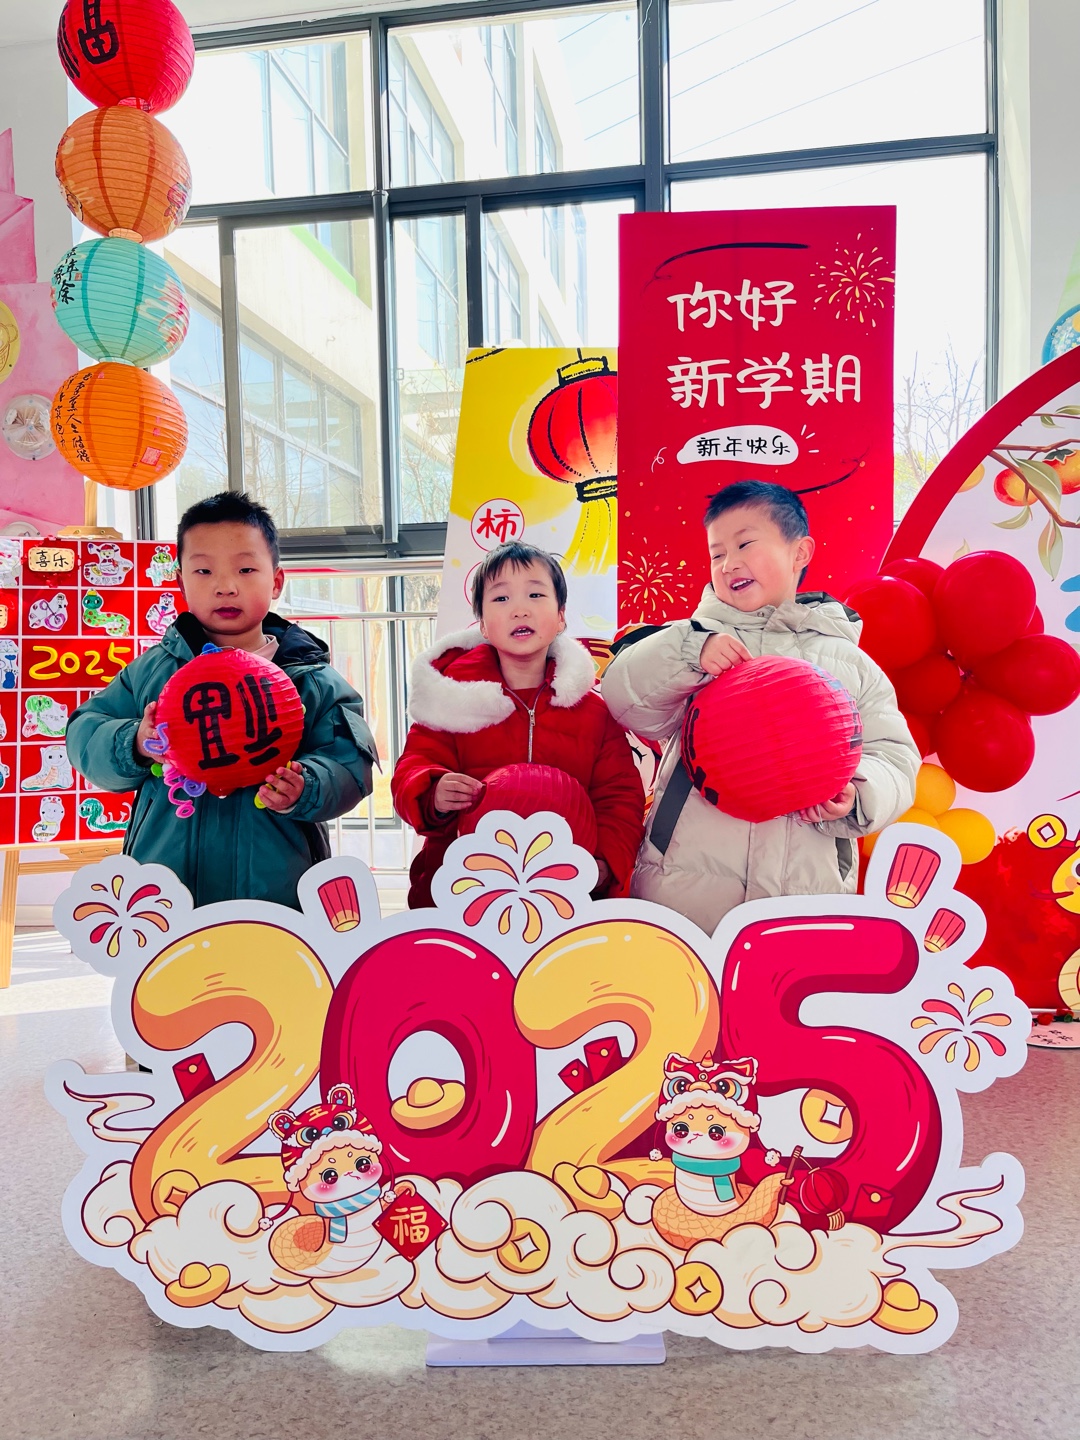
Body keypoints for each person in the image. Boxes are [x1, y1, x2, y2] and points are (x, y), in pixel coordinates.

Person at [601, 481, 918, 936]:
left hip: (805, 896)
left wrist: (858, 791)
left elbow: (895, 757)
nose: (728, 563)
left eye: (745, 544)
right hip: (686, 890)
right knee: (685, 983)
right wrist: (690, 650)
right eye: (716, 554)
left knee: (790, 981)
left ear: (800, 552)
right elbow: (627, 700)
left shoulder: (850, 662)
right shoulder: (691, 641)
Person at [66, 491, 376, 910]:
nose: (225, 586)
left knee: (269, 957)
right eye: (204, 570)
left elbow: (350, 765)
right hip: (164, 895)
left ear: (276, 581)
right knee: (174, 957)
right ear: (181, 581)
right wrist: (134, 741)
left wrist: (307, 785)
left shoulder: (312, 679)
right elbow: (85, 732)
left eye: (245, 569)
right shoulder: (153, 671)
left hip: (277, 897)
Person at [392, 541, 644, 909]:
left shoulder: (594, 711)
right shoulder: (449, 699)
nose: (520, 609)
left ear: (561, 616)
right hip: (460, 892)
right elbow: (412, 768)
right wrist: (433, 791)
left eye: (535, 594)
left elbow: (619, 798)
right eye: (501, 598)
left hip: (565, 896)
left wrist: (603, 864)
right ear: (482, 624)